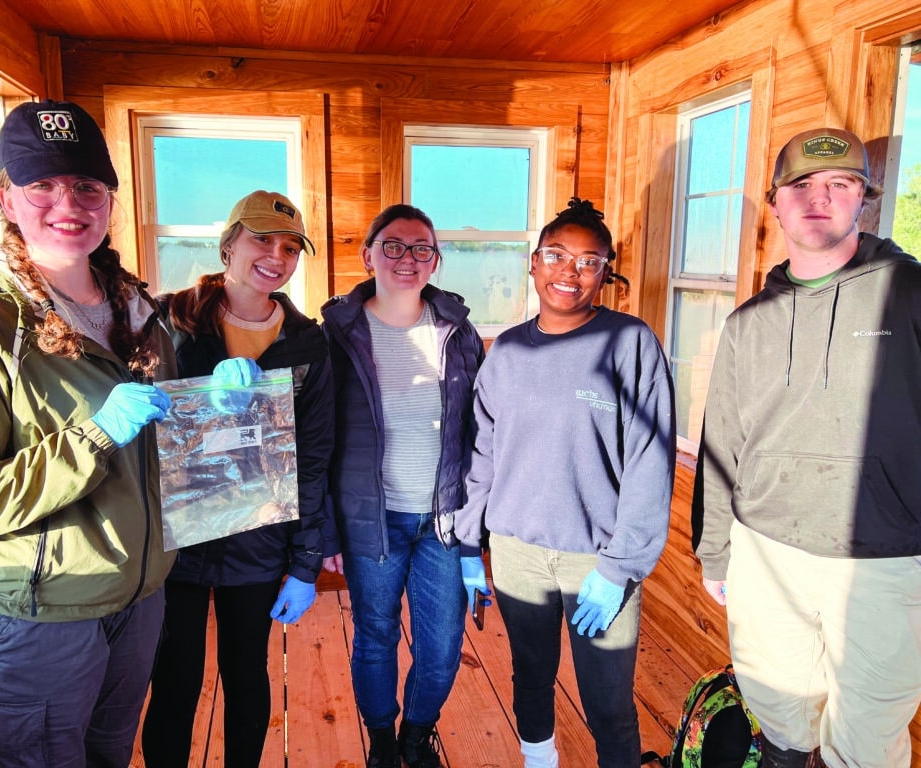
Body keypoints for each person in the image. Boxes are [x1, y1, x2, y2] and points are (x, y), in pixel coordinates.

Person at [0, 100, 178, 765]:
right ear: (6, 197)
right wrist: (94, 435)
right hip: (33, 620)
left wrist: (220, 410)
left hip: (137, 599)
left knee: (109, 754)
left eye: (87, 184)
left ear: (110, 199)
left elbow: (164, 453)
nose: (68, 202)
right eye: (42, 185)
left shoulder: (139, 310)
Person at [693, 127, 921, 768]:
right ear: (775, 203)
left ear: (863, 200)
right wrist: (716, 551)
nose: (819, 199)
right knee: (780, 718)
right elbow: (722, 445)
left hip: (886, 557)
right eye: (801, 185)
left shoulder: (910, 295)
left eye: (839, 184)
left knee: (869, 735)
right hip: (765, 551)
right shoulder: (747, 324)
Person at [455, 199, 676, 768]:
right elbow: (484, 450)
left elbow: (651, 460)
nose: (569, 272)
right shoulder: (506, 351)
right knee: (530, 675)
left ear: (606, 271)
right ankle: (540, 760)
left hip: (597, 562)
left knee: (607, 700)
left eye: (588, 261)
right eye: (556, 256)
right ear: (533, 263)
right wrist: (467, 543)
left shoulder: (630, 344)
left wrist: (620, 566)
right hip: (516, 552)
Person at [142, 190, 335, 768]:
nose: (276, 255)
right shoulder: (168, 320)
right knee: (173, 679)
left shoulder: (307, 343)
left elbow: (315, 454)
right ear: (228, 245)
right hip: (175, 541)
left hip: (258, 542)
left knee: (248, 673)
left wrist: (305, 565)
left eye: (290, 246)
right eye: (260, 239)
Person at [321, 203, 484, 768]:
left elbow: (480, 431)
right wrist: (327, 532)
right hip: (372, 520)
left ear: (435, 260)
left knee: (441, 650)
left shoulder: (458, 334)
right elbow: (318, 441)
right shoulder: (336, 337)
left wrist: (479, 524)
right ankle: (383, 740)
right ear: (368, 255)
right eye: (393, 245)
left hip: (444, 520)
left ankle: (418, 734)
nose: (407, 259)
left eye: (421, 248)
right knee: (376, 636)